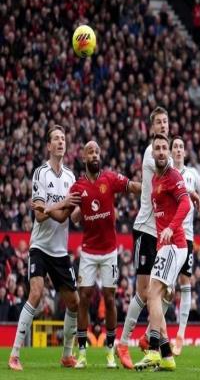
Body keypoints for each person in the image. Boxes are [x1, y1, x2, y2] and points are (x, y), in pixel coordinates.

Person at [44, 141, 141, 369]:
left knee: (110, 299)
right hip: (88, 251)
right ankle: (82, 353)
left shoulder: (110, 178)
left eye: (97, 151)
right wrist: (47, 209)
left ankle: (110, 353)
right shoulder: (78, 187)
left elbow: (132, 186)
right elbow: (65, 215)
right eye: (90, 152)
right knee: (84, 299)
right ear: (84, 158)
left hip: (110, 251)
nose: (95, 155)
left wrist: (152, 186)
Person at [9, 126, 80, 371]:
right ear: (49, 146)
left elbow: (70, 216)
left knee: (74, 303)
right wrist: (61, 206)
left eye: (63, 138)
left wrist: (83, 208)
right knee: (36, 293)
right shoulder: (40, 173)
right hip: (39, 246)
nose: (61, 142)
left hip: (60, 251)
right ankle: (14, 354)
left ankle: (67, 355)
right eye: (56, 139)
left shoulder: (71, 177)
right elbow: (39, 216)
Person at [116, 107, 169, 368]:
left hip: (161, 232)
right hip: (146, 229)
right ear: (151, 128)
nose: (162, 125)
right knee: (145, 291)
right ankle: (123, 342)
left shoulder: (165, 153)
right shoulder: (152, 153)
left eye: (165, 121)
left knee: (161, 292)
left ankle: (151, 338)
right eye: (158, 122)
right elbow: (169, 175)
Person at [134, 133, 191, 372]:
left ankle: (153, 350)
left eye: (163, 148)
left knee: (153, 293)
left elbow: (185, 203)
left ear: (168, 152)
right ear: (152, 152)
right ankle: (167, 356)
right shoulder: (156, 179)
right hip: (164, 246)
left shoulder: (172, 175)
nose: (160, 152)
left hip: (175, 244)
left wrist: (170, 227)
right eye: (156, 148)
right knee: (154, 295)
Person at [170, 136, 200, 355]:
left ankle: (181, 334)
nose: (178, 150)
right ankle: (154, 332)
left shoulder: (192, 174)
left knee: (185, 282)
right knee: (165, 286)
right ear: (171, 152)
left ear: (184, 152)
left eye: (181, 147)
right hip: (168, 234)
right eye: (175, 147)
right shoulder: (167, 173)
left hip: (186, 236)